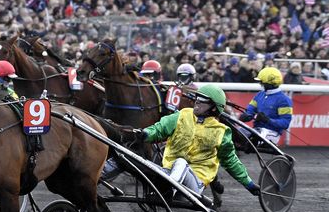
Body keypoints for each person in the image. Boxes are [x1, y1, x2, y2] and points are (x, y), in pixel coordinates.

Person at [101, 85, 260, 199]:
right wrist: (145, 134)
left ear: (213, 108)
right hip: (167, 173)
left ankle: (170, 188)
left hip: (194, 183)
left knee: (181, 162)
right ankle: (95, 177)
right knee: (126, 155)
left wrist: (249, 184)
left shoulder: (221, 132)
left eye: (202, 100)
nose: (196, 102)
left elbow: (232, 162)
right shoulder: (182, 115)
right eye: (197, 98)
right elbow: (159, 128)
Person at [238, 67, 293, 144]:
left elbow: (285, 123)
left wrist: (268, 120)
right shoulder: (259, 95)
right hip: (257, 130)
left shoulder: (284, 100)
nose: (260, 84)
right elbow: (250, 110)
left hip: (272, 134)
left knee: (253, 136)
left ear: (270, 84)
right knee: (236, 132)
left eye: (262, 82)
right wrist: (245, 116)